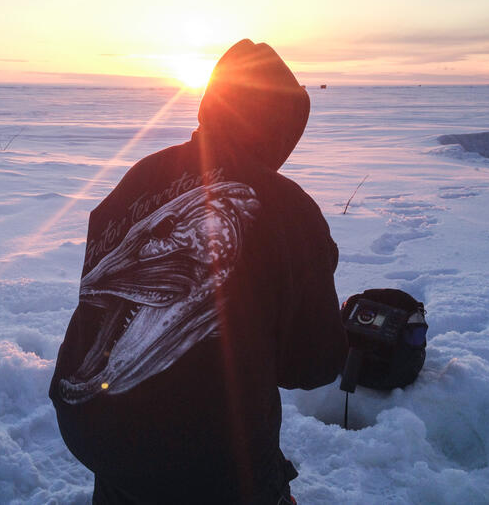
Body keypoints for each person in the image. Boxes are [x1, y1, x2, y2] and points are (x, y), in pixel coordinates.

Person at [49, 39, 348, 504]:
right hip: (212, 462)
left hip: (93, 427)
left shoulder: (138, 177)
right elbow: (312, 365)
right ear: (283, 123)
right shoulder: (288, 208)